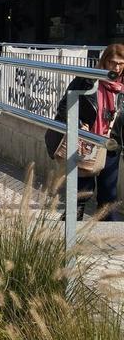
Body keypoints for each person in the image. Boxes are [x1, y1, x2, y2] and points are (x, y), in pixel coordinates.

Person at [45, 43, 124, 220]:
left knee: (108, 196)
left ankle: (107, 239)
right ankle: (69, 234)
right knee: (82, 193)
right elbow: (65, 105)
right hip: (86, 142)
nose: (116, 68)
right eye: (112, 62)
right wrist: (78, 123)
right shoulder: (88, 79)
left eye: (121, 63)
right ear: (104, 61)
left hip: (111, 144)